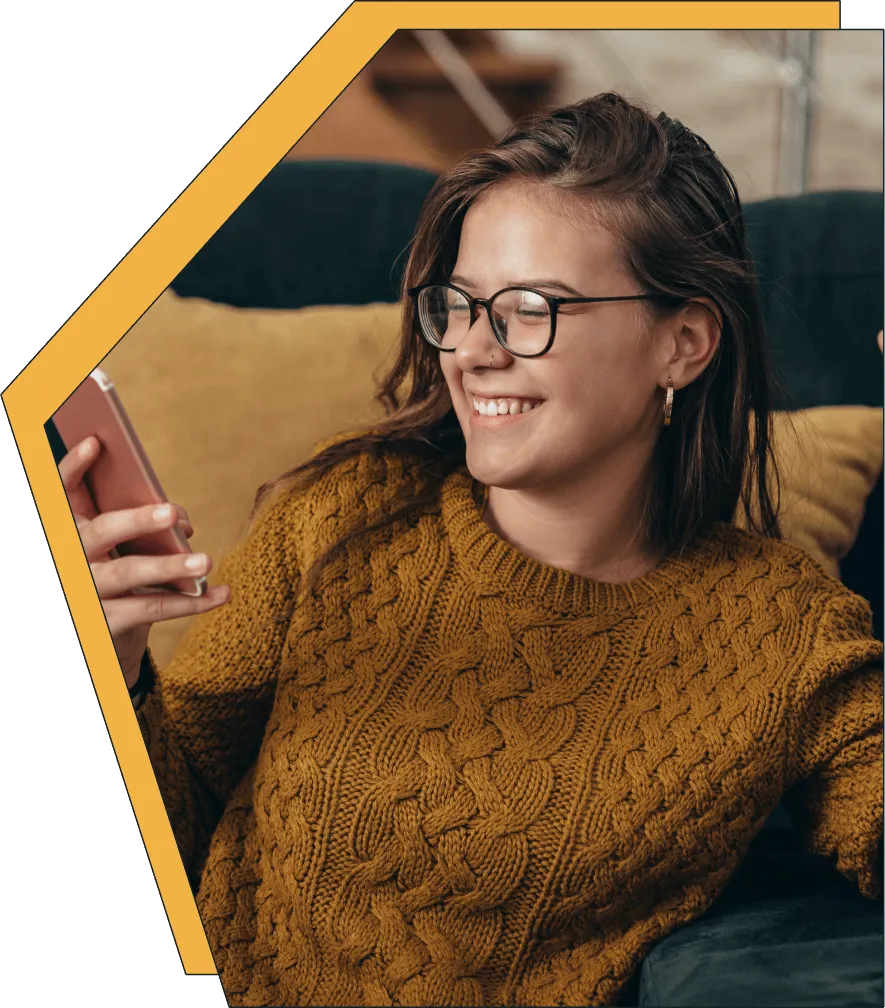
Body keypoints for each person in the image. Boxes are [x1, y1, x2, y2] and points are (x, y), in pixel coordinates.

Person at [60, 93, 883, 1008]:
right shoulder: (341, 517)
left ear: (682, 344)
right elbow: (178, 818)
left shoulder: (783, 632)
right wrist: (114, 667)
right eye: (458, 305)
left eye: (531, 308)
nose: (471, 351)